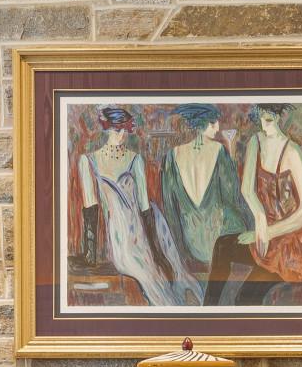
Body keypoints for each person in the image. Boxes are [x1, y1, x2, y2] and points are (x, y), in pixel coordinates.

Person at [71, 106, 190, 308]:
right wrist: (90, 255)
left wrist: (157, 251)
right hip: (119, 231)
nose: (122, 135)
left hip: (145, 225)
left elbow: (144, 206)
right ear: (107, 129)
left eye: (126, 130)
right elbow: (90, 209)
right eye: (118, 130)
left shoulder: (135, 159)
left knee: (157, 270)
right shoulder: (88, 161)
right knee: (141, 271)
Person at [158, 104, 266, 307]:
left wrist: (179, 249)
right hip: (218, 242)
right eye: (214, 123)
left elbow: (170, 211)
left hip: (189, 243)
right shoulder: (219, 151)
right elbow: (232, 198)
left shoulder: (171, 157)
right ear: (204, 124)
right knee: (245, 222)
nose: (217, 129)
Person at [238, 103, 302, 305]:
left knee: (246, 298)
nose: (265, 127)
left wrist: (268, 233)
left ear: (278, 117)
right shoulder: (255, 142)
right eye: (262, 119)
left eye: (269, 120)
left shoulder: (293, 152)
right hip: (266, 233)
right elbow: (247, 189)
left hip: (295, 239)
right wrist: (260, 219)